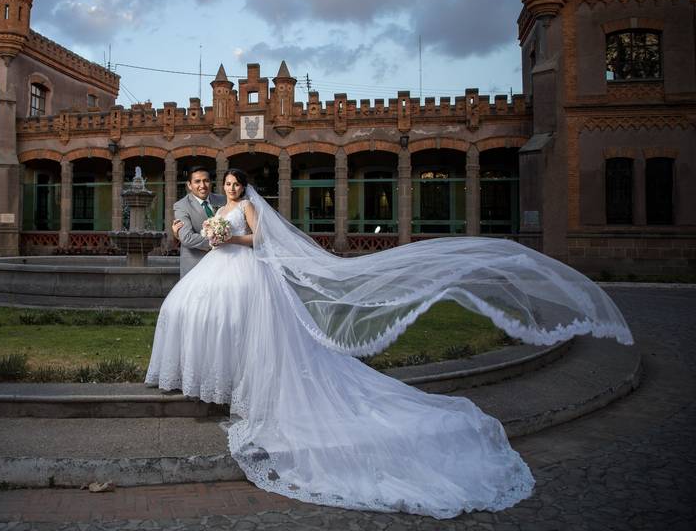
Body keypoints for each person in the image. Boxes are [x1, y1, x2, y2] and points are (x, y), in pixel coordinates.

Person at [146, 168, 634, 518]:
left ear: (245, 186)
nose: (228, 189)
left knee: (254, 331)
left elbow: (261, 243)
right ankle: (224, 381)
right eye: (224, 184)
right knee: (203, 318)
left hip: (246, 271)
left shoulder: (248, 209)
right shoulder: (218, 209)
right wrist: (215, 234)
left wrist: (230, 240)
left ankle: (250, 388)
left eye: (233, 184)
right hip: (218, 272)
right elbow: (196, 234)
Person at [171, 166, 226, 277]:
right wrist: (220, 241)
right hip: (196, 266)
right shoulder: (181, 206)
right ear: (189, 185)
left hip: (225, 264)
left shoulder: (223, 200)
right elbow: (187, 238)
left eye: (206, 181)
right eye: (197, 181)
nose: (202, 185)